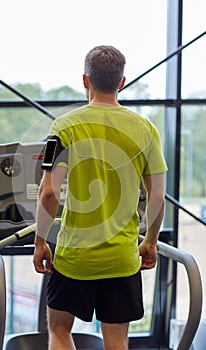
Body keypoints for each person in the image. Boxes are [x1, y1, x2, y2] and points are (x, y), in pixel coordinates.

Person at [33, 45, 167, 350]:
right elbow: (157, 195)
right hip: (122, 259)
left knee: (58, 331)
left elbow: (49, 192)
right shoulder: (145, 128)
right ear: (121, 82)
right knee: (116, 343)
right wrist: (150, 241)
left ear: (85, 80)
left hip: (73, 257)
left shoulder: (64, 127)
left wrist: (41, 243)